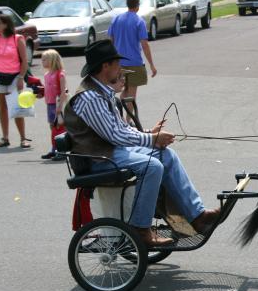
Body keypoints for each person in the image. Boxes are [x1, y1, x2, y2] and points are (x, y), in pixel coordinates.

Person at [64, 40, 219, 246]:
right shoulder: (90, 97)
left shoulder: (102, 92)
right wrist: (151, 139)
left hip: (111, 151)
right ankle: (141, 229)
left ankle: (195, 216)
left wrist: (148, 134)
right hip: (98, 159)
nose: (120, 68)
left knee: (166, 155)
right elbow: (115, 135)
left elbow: (120, 129)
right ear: (105, 66)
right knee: (152, 166)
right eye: (117, 63)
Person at [0, 13, 31, 149]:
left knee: (16, 107)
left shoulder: (17, 38)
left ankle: (23, 138)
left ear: (6, 24)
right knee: (2, 107)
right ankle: (5, 138)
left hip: (15, 75)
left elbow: (25, 61)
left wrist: (21, 77)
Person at [107, 0, 157, 121]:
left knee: (124, 89)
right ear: (137, 5)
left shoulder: (116, 19)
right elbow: (144, 45)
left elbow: (110, 40)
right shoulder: (139, 21)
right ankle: (127, 122)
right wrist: (151, 64)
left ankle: (120, 118)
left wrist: (110, 60)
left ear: (127, 4)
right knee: (131, 94)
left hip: (118, 63)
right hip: (134, 62)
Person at [40, 49, 68, 160]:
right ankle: (54, 148)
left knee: (60, 127)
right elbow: (47, 89)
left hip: (57, 105)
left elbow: (64, 91)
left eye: (44, 59)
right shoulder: (47, 75)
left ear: (52, 60)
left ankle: (62, 151)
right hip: (50, 104)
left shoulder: (60, 74)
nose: (42, 61)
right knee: (53, 127)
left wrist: (60, 106)